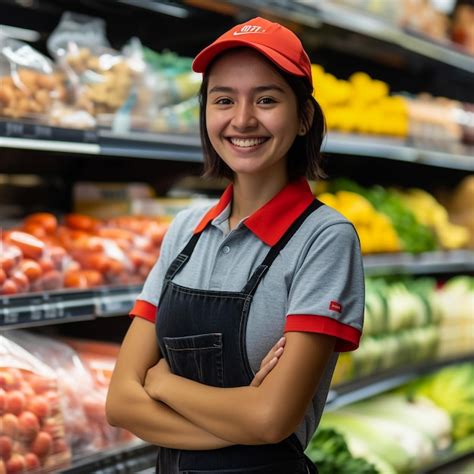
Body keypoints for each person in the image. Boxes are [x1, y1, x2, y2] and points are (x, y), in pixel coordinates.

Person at [106, 16, 365, 474]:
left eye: (266, 100)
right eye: (223, 100)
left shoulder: (324, 239)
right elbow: (121, 404)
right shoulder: (185, 231)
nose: (243, 120)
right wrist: (241, 418)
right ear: (206, 113)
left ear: (304, 117)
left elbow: (271, 420)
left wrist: (163, 384)